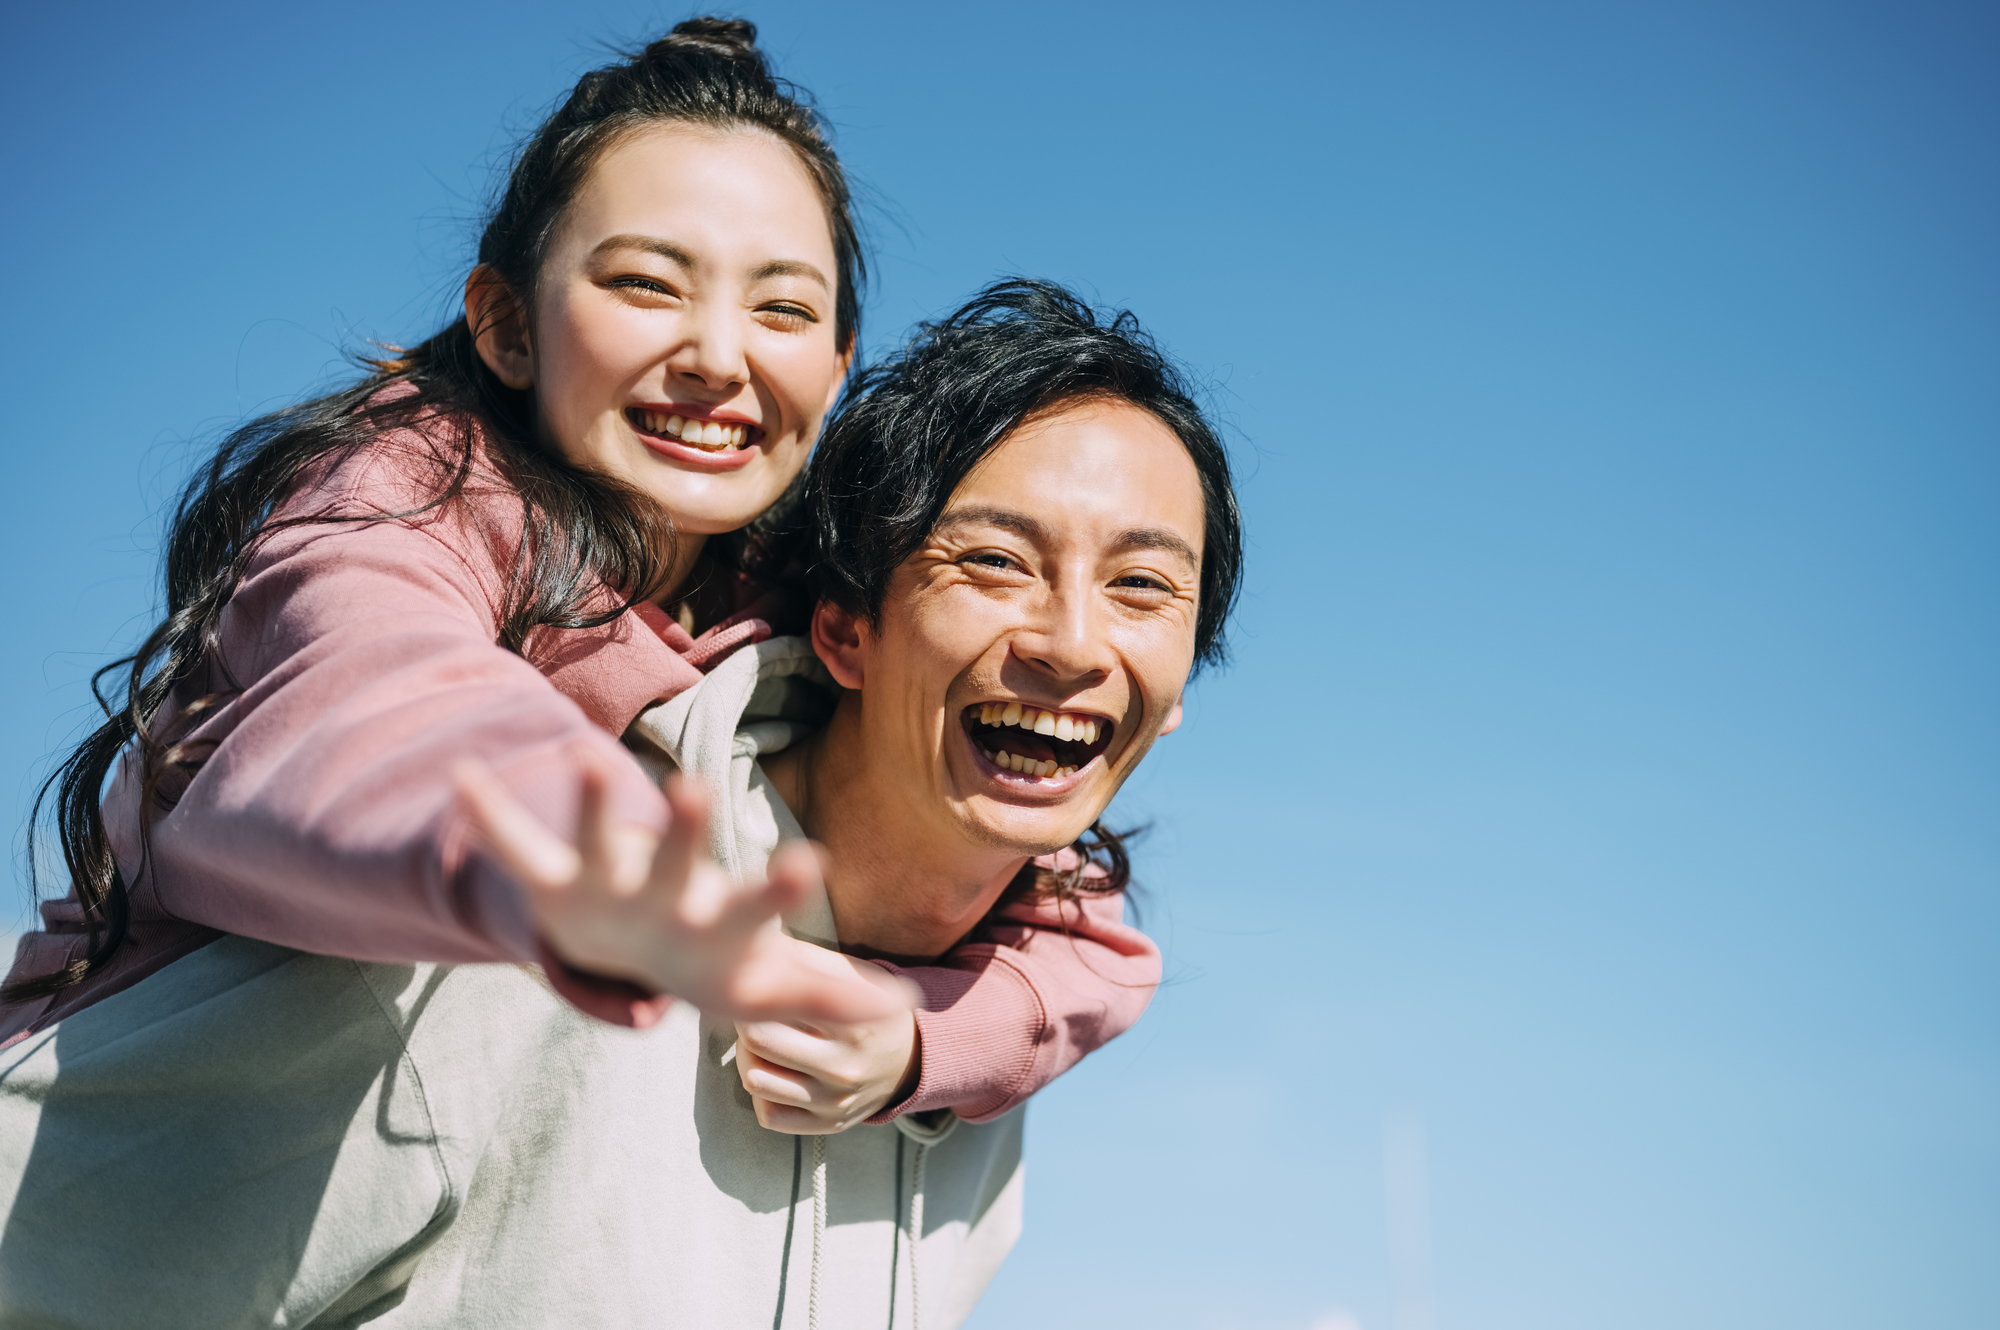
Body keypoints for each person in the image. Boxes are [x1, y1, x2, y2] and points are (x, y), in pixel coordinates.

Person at [0, 280, 1242, 1329]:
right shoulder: (535, 908)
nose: (1073, 643)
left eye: (1142, 587)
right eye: (995, 561)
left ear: (1181, 686)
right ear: (845, 629)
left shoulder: (975, 1077)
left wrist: (931, 1047)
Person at [0, 20, 1155, 1132]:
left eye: (783, 308)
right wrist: (567, 844)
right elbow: (375, 698)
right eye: (648, 285)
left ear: (837, 365)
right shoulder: (400, 499)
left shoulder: (796, 596)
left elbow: (1080, 921)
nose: (717, 354)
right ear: (504, 325)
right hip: (95, 1175)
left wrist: (919, 1039)